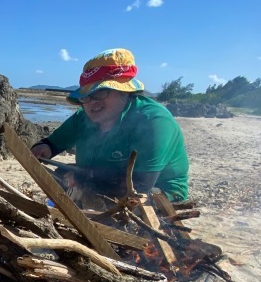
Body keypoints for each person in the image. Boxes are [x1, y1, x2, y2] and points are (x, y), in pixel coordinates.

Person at [30, 48, 189, 204]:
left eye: (101, 93)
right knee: (61, 174)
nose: (92, 102)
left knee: (126, 197)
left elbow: (140, 186)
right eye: (86, 96)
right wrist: (44, 148)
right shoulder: (82, 118)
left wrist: (82, 178)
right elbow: (52, 144)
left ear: (125, 92)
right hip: (100, 177)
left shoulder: (153, 121)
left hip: (157, 189)